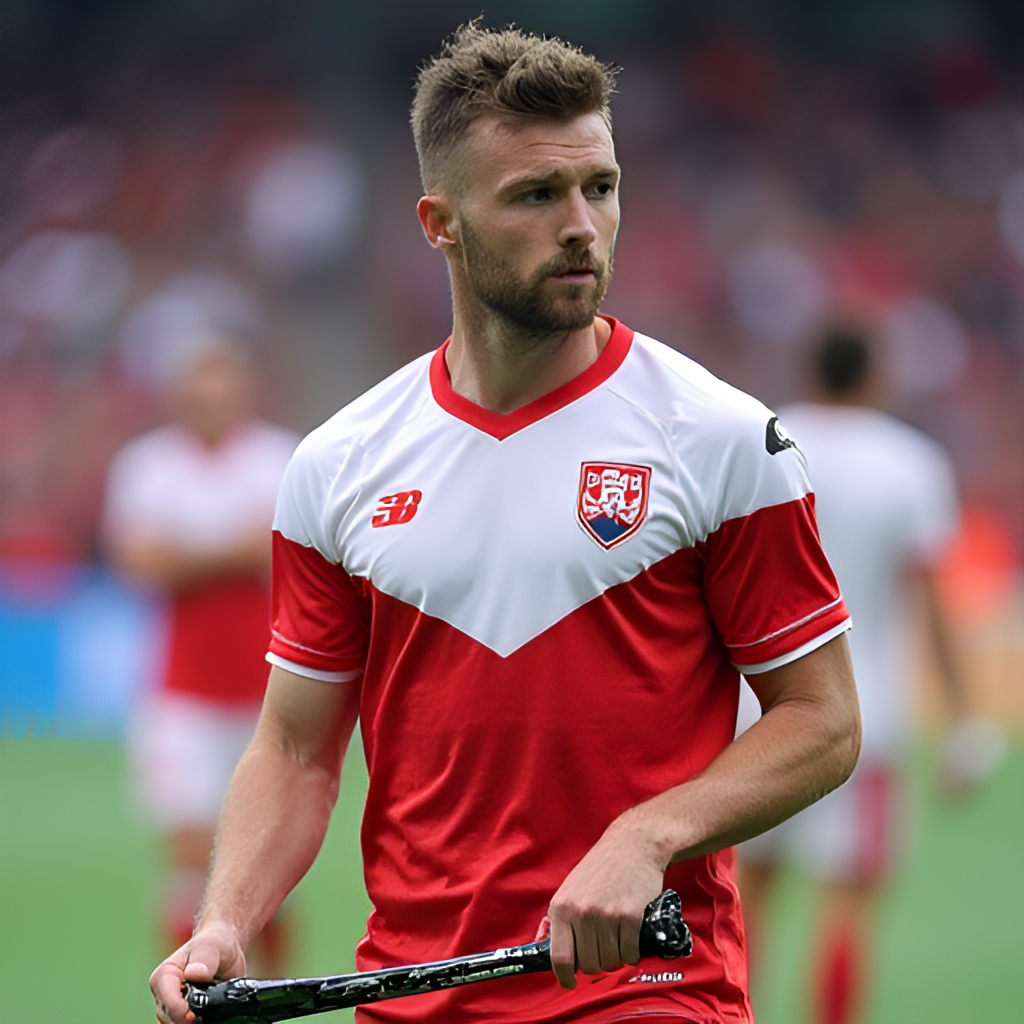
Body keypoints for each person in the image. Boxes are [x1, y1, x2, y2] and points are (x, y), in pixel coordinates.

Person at [150, 24, 861, 1024]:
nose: (581, 224)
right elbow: (297, 748)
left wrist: (650, 835)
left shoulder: (721, 438)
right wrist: (226, 916)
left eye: (599, 188)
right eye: (535, 195)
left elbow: (823, 719)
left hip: (648, 988)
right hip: (413, 988)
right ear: (440, 223)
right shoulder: (336, 464)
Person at [736, 325, 968, 1024]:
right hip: (865, 717)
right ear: (873, 375)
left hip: (758, 709)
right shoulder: (910, 463)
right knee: (848, 907)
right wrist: (963, 717)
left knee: (748, 897)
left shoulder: (764, 440)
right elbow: (932, 603)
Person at [104, 336, 297, 972]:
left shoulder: (278, 455)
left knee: (263, 867)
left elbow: (279, 553)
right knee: (190, 859)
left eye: (221, 389)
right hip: (181, 694)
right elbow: (139, 562)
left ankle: (267, 996)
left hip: (269, 693)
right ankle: (189, 1000)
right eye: (197, 392)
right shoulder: (147, 465)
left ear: (243, 391)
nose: (209, 403)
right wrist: (233, 548)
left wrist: (185, 554)